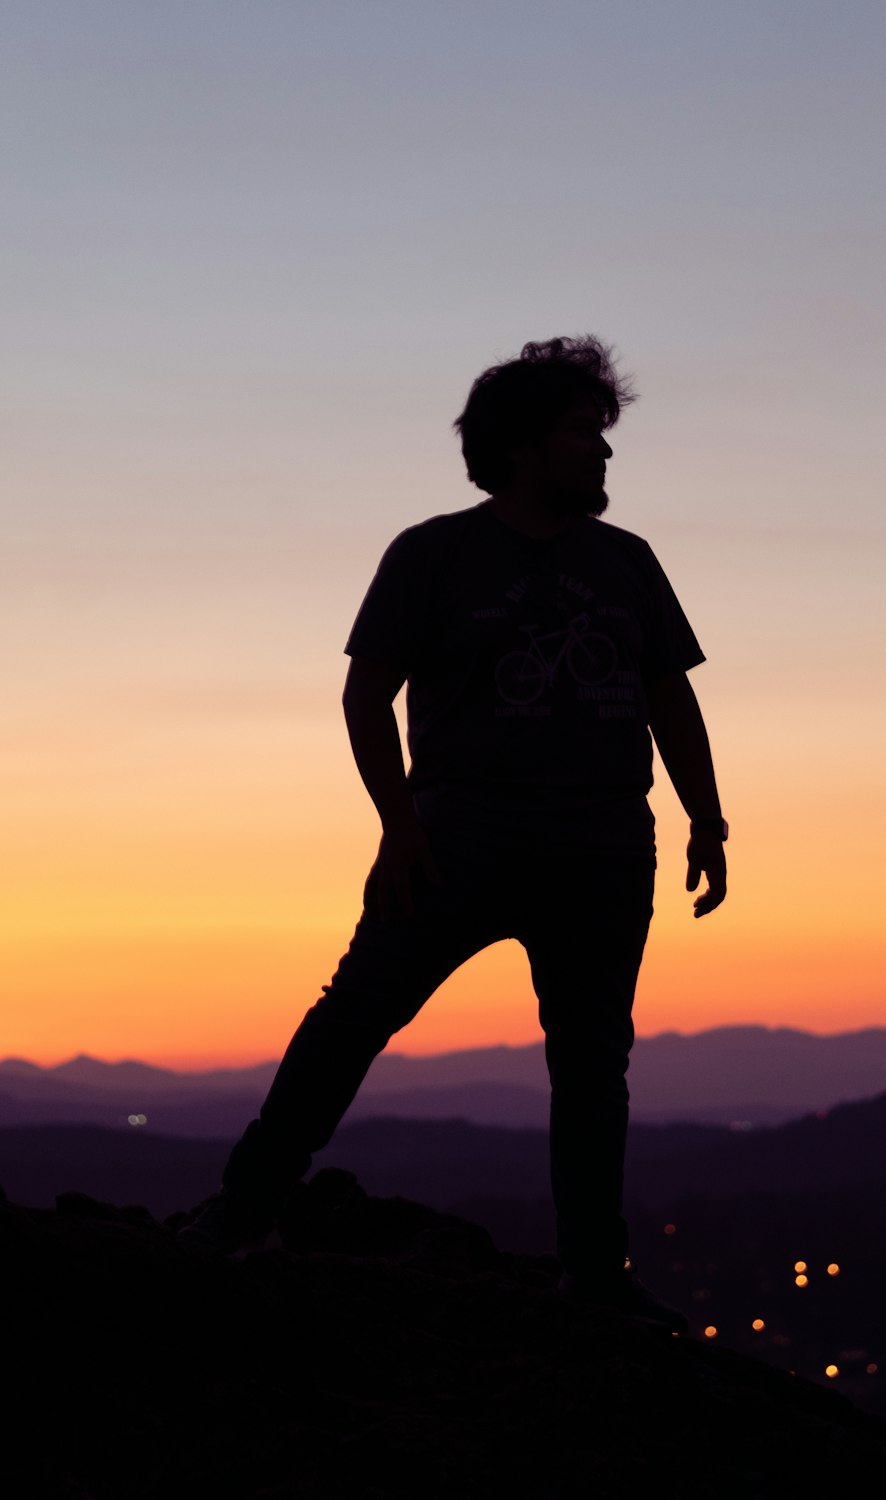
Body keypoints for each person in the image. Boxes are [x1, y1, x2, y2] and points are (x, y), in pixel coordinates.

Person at [179, 337, 727, 1327]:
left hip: (605, 843)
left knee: (593, 1062)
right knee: (354, 1018)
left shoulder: (628, 563)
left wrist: (707, 817)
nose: (602, 456)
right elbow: (364, 695)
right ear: (520, 445)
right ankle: (245, 1209)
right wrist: (397, 827)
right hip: (458, 836)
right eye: (581, 435)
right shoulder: (432, 553)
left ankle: (594, 1276)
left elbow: (666, 697)